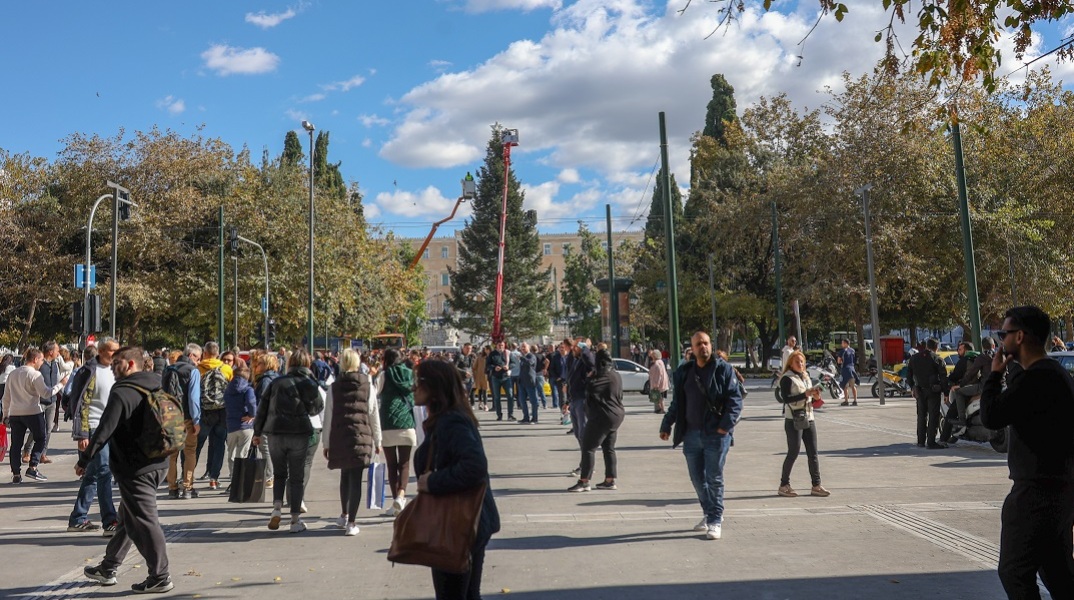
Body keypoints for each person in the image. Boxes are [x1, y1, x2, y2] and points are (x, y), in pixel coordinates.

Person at [981, 306, 1074, 598]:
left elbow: (992, 416)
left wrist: (994, 376)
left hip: (1035, 492)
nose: (1001, 340)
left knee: (1014, 572)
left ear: (1019, 337)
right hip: (1059, 489)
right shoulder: (1057, 375)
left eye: (1004, 333)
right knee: (1058, 573)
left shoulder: (1034, 378)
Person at [79, 346, 174, 594]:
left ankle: (160, 576)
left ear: (131, 364)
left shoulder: (123, 391)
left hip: (135, 468)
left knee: (143, 521)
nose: (112, 366)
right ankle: (108, 567)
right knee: (127, 518)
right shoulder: (156, 383)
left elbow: (104, 429)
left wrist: (84, 459)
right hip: (159, 461)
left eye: (117, 362)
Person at [412, 359, 500, 600]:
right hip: (464, 521)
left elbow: (475, 466)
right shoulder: (449, 418)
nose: (413, 387)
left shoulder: (451, 421)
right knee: (467, 594)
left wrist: (433, 481)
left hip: (458, 524)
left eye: (418, 382)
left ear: (434, 387)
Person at [658, 331, 744, 541]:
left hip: (715, 434)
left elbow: (736, 400)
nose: (703, 347)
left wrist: (724, 427)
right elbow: (678, 403)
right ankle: (709, 512)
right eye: (698, 344)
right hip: (691, 434)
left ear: (711, 346)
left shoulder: (723, 369)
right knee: (697, 478)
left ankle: (715, 519)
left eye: (706, 343)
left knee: (714, 478)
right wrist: (667, 424)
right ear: (693, 349)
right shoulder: (685, 372)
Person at [253, 348, 323, 533]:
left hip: (275, 432)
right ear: (308, 364)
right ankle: (294, 520)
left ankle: (276, 508)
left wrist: (257, 432)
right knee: (296, 477)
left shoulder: (276, 382)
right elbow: (316, 409)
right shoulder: (308, 383)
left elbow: (262, 408)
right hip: (298, 433)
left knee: (280, 473)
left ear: (290, 363)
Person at [322, 348, 382, 536]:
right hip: (361, 435)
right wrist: (378, 440)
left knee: (345, 475)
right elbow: (373, 414)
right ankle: (352, 523)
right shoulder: (368, 384)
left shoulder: (334, 386)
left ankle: (344, 514)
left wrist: (326, 443)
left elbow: (328, 416)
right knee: (356, 479)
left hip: (340, 435)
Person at [67, 342, 119, 533]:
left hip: (111, 428)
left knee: (92, 474)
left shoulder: (117, 369)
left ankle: (78, 518)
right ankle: (110, 521)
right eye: (113, 350)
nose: (116, 354)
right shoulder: (88, 370)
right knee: (104, 472)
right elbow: (78, 403)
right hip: (94, 428)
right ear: (103, 351)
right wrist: (81, 433)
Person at [3, 348, 69, 483]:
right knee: (41, 438)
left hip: (15, 413)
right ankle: (33, 466)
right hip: (32, 411)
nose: (42, 363)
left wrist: (5, 415)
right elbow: (46, 393)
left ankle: (16, 473)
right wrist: (60, 384)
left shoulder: (13, 373)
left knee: (16, 444)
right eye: (40, 360)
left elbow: (6, 397)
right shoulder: (35, 375)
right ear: (35, 360)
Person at [568, 348, 625, 492]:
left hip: (603, 416)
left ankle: (584, 481)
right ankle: (610, 480)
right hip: (615, 415)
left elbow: (591, 388)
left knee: (588, 447)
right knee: (608, 448)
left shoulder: (604, 376)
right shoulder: (615, 374)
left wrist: (590, 377)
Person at [777, 351, 829, 498]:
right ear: (790, 363)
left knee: (813, 452)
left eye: (802, 361)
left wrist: (815, 396)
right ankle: (784, 484)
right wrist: (805, 394)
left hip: (809, 417)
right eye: (797, 362)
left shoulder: (805, 376)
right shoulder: (787, 378)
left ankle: (816, 485)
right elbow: (786, 398)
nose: (800, 364)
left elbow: (810, 399)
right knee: (793, 451)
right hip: (793, 418)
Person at [377, 348, 417, 516]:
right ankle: (401, 495)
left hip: (387, 422)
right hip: (407, 421)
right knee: (405, 463)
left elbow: (377, 393)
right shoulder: (409, 373)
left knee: (392, 465)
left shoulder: (383, 375)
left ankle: (396, 503)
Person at [163, 344, 202, 500]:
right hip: (186, 417)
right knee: (190, 451)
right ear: (191, 355)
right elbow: (193, 398)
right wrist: (196, 420)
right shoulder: (193, 371)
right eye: (198, 358)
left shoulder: (168, 369)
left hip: (170, 417)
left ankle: (172, 488)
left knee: (172, 454)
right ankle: (187, 487)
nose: (198, 362)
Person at [197, 341, 233, 491]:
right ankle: (214, 478)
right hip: (221, 412)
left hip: (204, 412)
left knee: (196, 445)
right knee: (219, 445)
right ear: (218, 354)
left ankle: (187, 477)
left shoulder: (198, 368)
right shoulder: (226, 369)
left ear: (205, 353)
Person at [23, 341, 61, 464]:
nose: (58, 352)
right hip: (39, 401)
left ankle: (42, 454)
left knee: (48, 428)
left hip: (52, 400)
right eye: (56, 350)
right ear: (50, 352)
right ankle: (27, 451)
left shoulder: (55, 364)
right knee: (37, 428)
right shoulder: (40, 365)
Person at [907, 338, 949, 449]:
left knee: (921, 416)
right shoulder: (937, 359)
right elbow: (943, 378)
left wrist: (912, 387)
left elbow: (908, 375)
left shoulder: (914, 358)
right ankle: (931, 442)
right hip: (933, 391)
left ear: (926, 346)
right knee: (933, 416)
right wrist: (946, 393)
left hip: (919, 391)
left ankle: (921, 441)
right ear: (937, 347)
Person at [223, 364, 257, 479]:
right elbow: (251, 403)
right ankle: (240, 479)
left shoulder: (228, 389)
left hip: (231, 425)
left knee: (231, 453)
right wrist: (251, 415)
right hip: (245, 425)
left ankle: (233, 476)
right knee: (242, 453)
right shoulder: (248, 389)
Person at [252, 353, 280, 489]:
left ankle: (269, 477)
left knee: (265, 448)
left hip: (267, 419)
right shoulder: (277, 378)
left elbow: (261, 403)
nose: (257, 366)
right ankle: (271, 475)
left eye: (260, 364)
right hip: (275, 418)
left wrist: (257, 422)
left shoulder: (265, 380)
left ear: (266, 365)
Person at [487, 341, 514, 421]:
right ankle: (499, 415)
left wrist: (508, 367)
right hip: (496, 377)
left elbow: (514, 363)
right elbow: (488, 365)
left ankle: (510, 414)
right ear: (496, 346)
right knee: (497, 397)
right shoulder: (492, 354)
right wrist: (494, 367)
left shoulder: (508, 353)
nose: (501, 346)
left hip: (506, 377)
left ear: (504, 345)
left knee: (510, 395)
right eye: (499, 345)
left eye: (502, 345)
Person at [517, 342, 540, 424]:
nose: (523, 348)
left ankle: (534, 418)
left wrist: (522, 358)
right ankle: (525, 417)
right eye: (522, 347)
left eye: (524, 347)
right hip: (522, 382)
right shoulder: (522, 357)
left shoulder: (531, 356)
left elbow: (530, 363)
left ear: (528, 347)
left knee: (533, 401)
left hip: (530, 382)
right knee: (522, 401)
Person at [836, 339, 858, 406]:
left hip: (845, 369)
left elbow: (839, 361)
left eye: (842, 343)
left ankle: (846, 401)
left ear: (846, 344)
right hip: (852, 369)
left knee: (845, 385)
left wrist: (841, 362)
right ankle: (855, 400)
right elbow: (854, 360)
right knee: (853, 386)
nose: (841, 344)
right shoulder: (853, 351)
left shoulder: (842, 351)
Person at [454, 343, 476, 407]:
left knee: (466, 396)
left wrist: (473, 379)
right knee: (462, 396)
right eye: (467, 348)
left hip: (469, 380)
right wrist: (464, 372)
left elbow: (471, 368)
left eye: (470, 349)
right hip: (461, 380)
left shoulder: (471, 357)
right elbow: (454, 367)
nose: (469, 350)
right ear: (463, 348)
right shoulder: (459, 356)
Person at [648, 349, 670, 414]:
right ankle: (659, 409)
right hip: (662, 383)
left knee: (660, 398)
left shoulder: (657, 363)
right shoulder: (661, 362)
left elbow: (658, 374)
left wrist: (656, 384)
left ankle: (662, 409)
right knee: (660, 398)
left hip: (659, 384)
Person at [472, 346, 489, 411]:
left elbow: (474, 367)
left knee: (482, 390)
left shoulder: (480, 358)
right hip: (483, 376)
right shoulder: (483, 358)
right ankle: (483, 404)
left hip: (482, 376)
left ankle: (482, 404)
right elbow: (474, 367)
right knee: (483, 390)